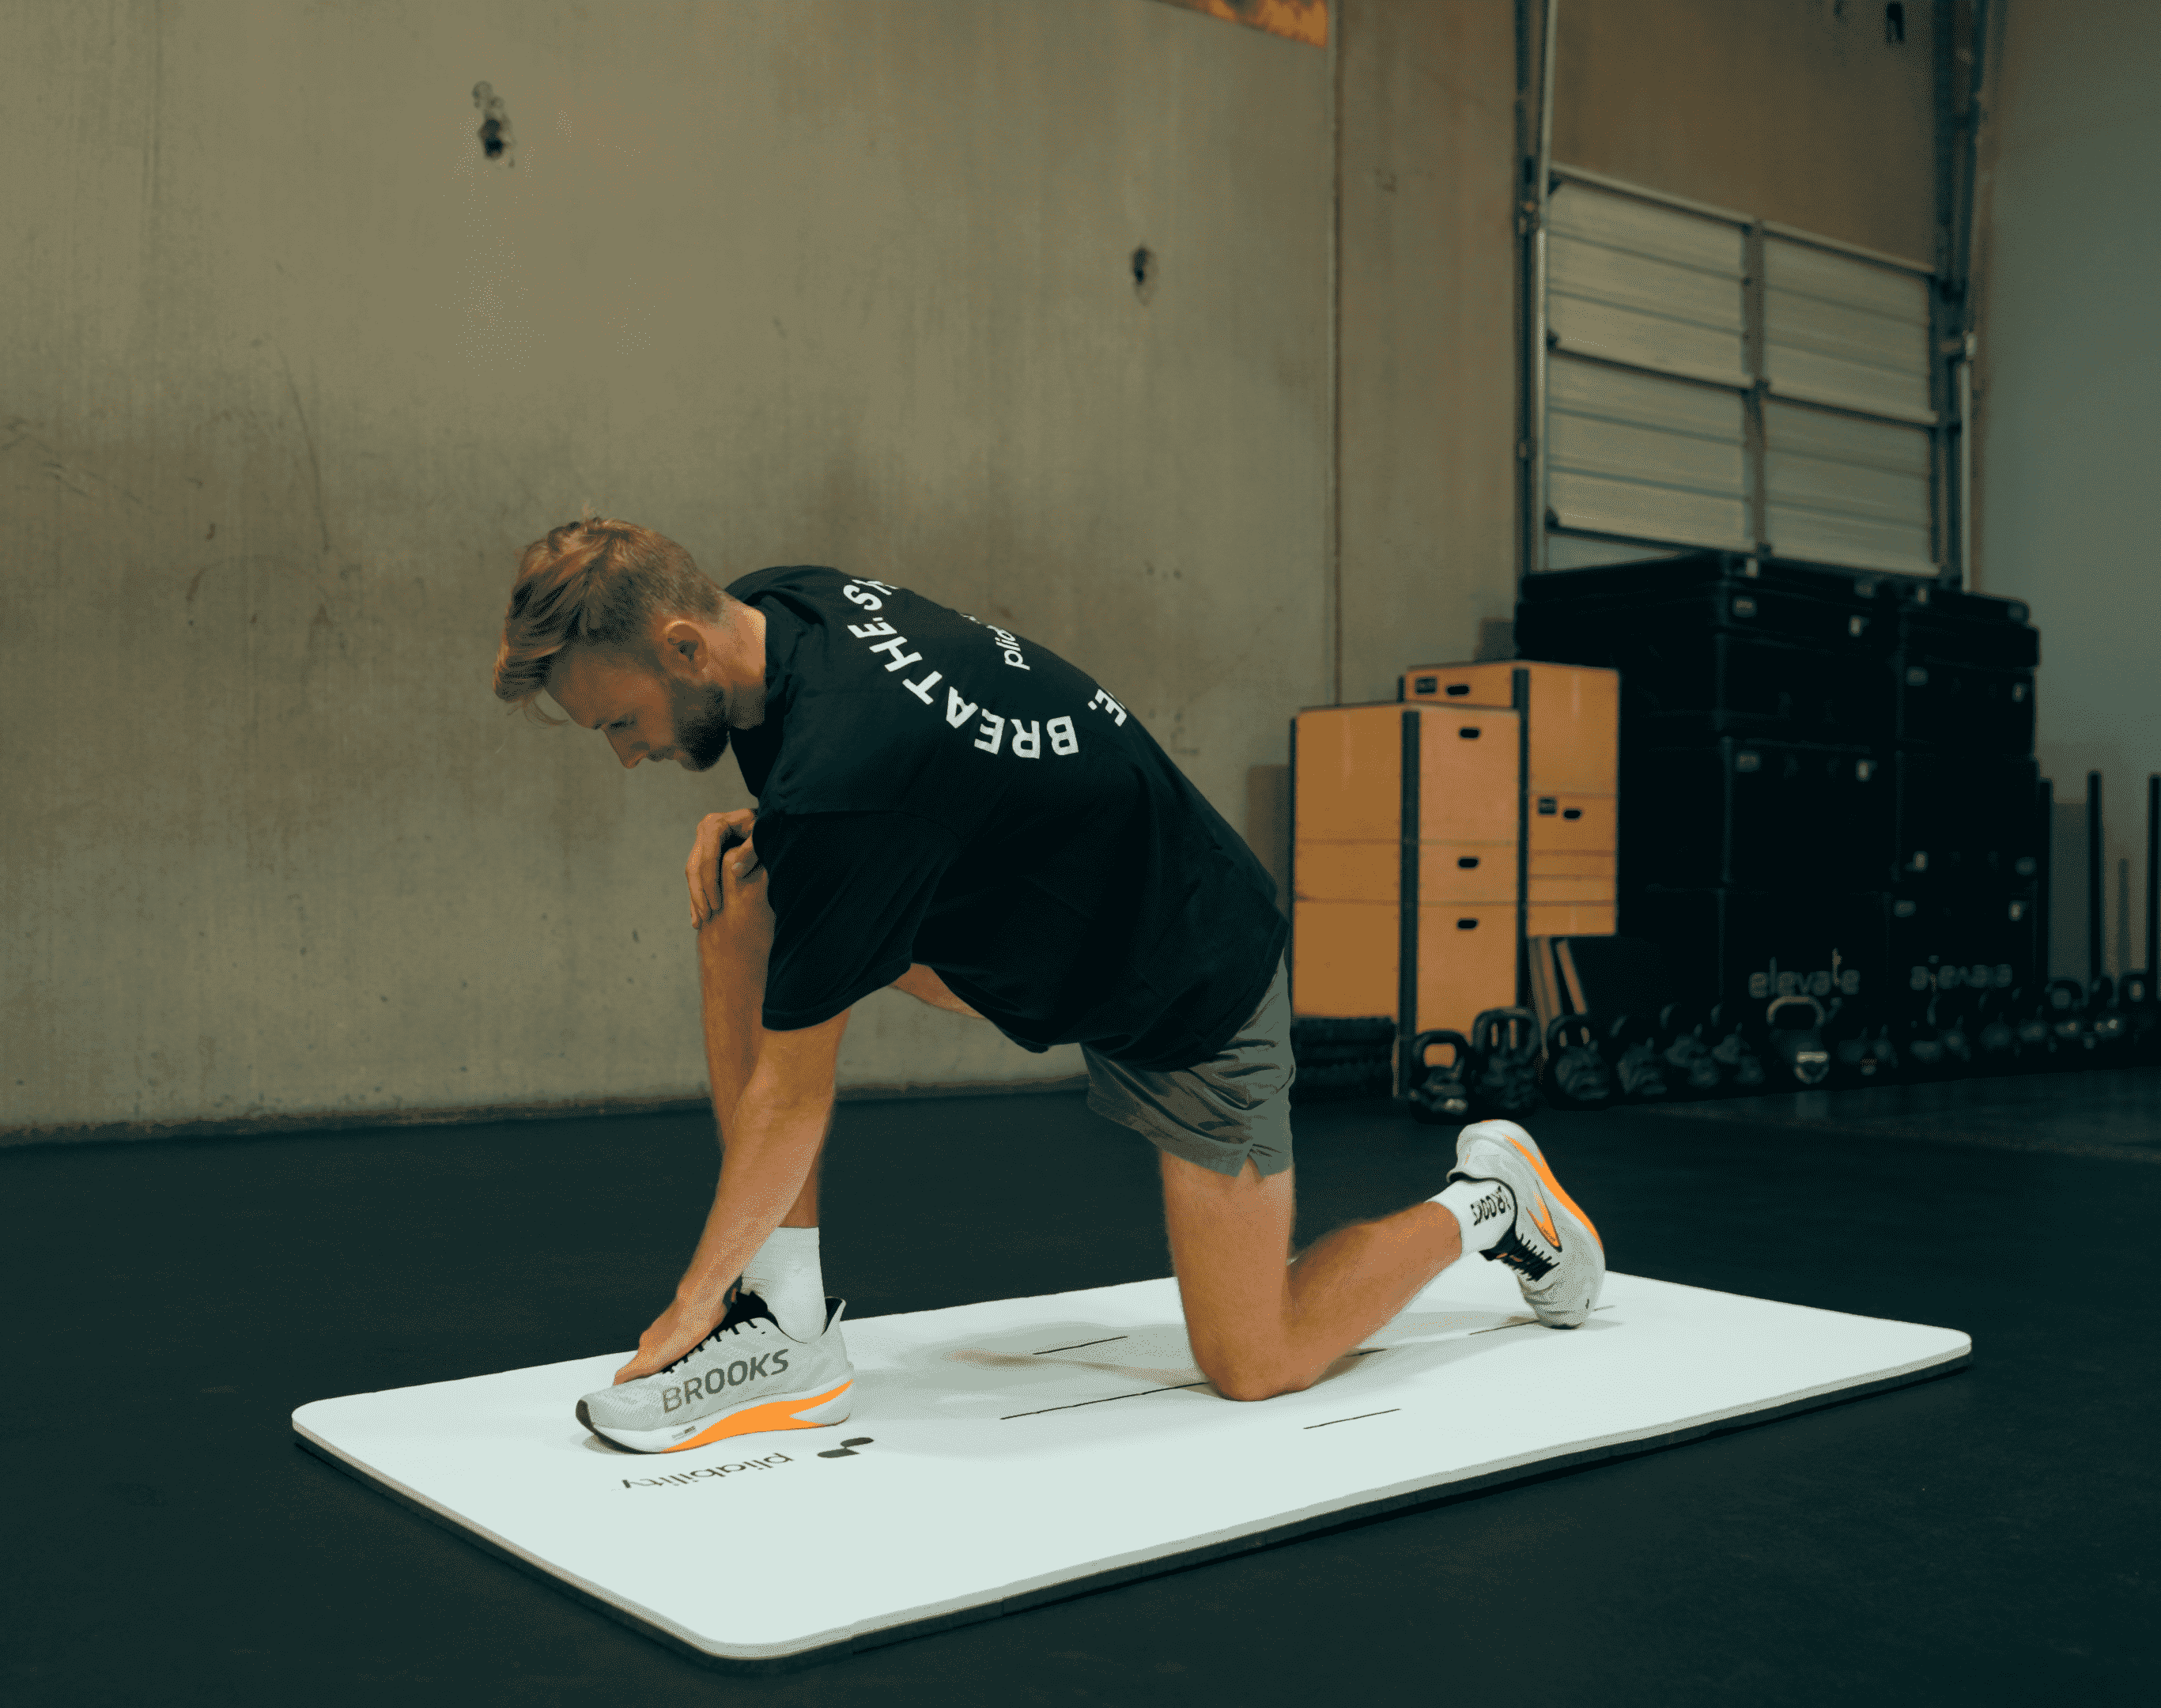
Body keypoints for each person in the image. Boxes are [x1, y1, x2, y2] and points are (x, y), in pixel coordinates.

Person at [489, 516, 1602, 1454]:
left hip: (1186, 980)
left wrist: (688, 1306)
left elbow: (795, 1092)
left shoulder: (841, 773)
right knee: (747, 887)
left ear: (683, 647)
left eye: (619, 724)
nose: (627, 756)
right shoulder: (781, 609)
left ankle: (1493, 1202)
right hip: (1048, 922)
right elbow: (895, 786)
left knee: (1255, 1361)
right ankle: (783, 1325)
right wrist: (789, 840)